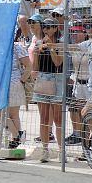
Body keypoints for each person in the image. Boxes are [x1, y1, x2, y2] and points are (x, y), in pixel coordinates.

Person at [33, 19, 65, 162]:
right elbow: (35, 67)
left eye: (49, 27)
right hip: (43, 79)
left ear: (55, 28)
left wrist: (51, 46)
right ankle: (45, 150)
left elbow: (58, 62)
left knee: (58, 118)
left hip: (57, 79)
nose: (46, 30)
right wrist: (36, 52)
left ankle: (61, 150)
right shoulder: (40, 42)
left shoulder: (60, 43)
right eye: (44, 27)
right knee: (44, 117)